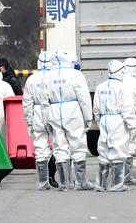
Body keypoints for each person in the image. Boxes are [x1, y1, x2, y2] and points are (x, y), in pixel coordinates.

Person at [45, 51, 93, 191]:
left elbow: (44, 101)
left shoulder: (47, 76)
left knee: (60, 147)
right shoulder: (76, 74)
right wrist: (88, 117)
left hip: (54, 111)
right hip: (72, 111)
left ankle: (64, 183)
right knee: (78, 145)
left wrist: (45, 120)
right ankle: (81, 182)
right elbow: (83, 97)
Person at [93, 60, 136, 192]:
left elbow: (96, 108)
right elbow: (127, 109)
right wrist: (132, 126)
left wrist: (99, 120)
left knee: (104, 151)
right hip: (118, 120)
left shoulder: (100, 87)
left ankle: (101, 184)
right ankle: (116, 184)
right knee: (118, 150)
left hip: (104, 120)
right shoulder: (123, 87)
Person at [23, 51, 57, 190]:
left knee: (40, 146)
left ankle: (43, 181)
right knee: (59, 146)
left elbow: (27, 103)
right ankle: (62, 179)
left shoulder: (32, 79)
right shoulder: (55, 77)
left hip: (37, 113)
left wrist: (29, 121)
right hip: (54, 112)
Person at [122, 57, 136, 186]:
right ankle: (126, 177)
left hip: (118, 118)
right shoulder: (135, 83)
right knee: (130, 146)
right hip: (131, 117)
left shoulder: (120, 81)